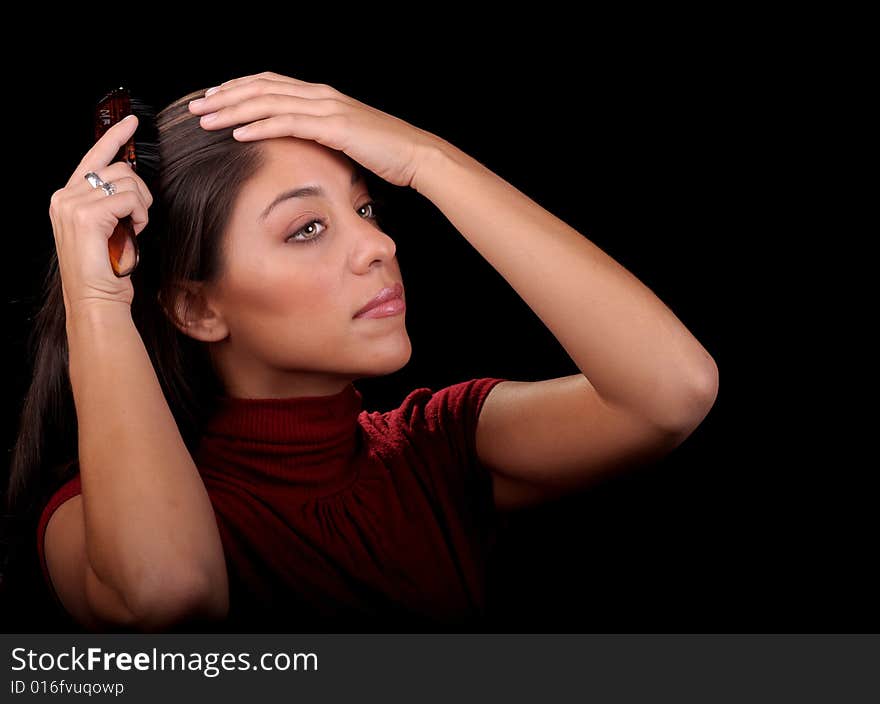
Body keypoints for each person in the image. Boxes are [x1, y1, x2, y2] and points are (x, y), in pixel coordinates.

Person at [4, 71, 719, 633]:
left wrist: (423, 156)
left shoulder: (441, 449)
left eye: (367, 207)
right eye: (307, 229)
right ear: (196, 306)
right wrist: (95, 298)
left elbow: (672, 392)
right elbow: (169, 596)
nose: (380, 246)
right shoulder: (92, 522)